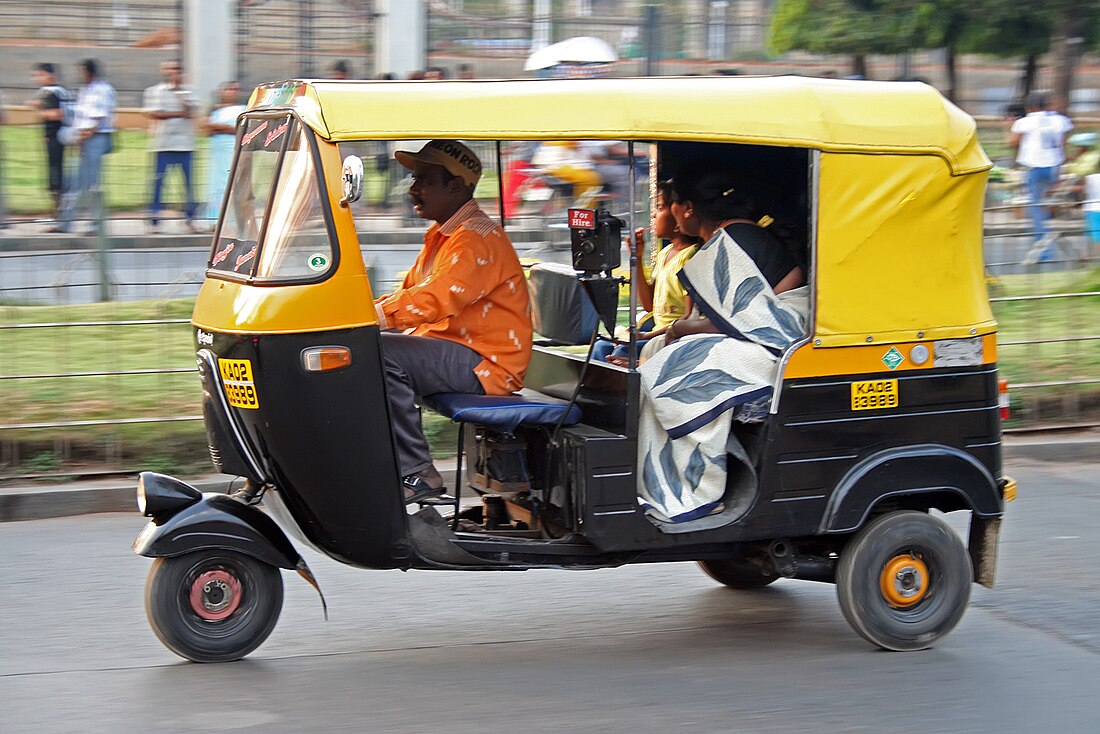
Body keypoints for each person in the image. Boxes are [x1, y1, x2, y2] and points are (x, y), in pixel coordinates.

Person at [376, 140, 532, 502]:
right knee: (364, 346)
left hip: (485, 364)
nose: (412, 189)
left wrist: (372, 318)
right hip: (454, 351)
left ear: (456, 187)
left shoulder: (474, 239)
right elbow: (407, 295)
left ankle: (417, 473)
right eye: (415, 179)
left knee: (380, 353)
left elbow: (436, 298)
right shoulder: (443, 236)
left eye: (424, 179)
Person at [657, 171, 804, 346]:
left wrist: (677, 328)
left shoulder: (732, 239)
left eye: (673, 202)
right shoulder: (733, 233)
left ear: (688, 208)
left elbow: (737, 321)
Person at [594, 179, 702, 363]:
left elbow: (688, 316)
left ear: (678, 214)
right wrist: (636, 256)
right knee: (600, 347)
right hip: (655, 334)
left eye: (660, 208)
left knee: (620, 353)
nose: (653, 216)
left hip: (672, 338)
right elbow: (648, 305)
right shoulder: (665, 254)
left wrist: (646, 337)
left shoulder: (691, 258)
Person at [53, 59, 116, 234]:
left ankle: (97, 226)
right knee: (74, 183)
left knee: (91, 184)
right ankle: (65, 223)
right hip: (84, 138)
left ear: (88, 72)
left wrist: (83, 138)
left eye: (81, 71)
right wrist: (78, 139)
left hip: (95, 139)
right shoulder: (86, 91)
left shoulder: (102, 90)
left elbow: (97, 120)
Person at [1010, 92, 1074, 251]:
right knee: (1047, 202)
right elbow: (1063, 143)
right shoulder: (1060, 120)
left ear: (1031, 106)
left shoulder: (1025, 122)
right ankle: (1047, 230)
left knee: (1035, 205)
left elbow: (1013, 142)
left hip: (1034, 166)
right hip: (1054, 166)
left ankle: (1042, 244)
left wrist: (1007, 127)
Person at [143, 59, 198, 232]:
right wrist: (180, 113)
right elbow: (155, 113)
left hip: (185, 145)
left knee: (188, 184)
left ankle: (190, 219)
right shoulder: (155, 91)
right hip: (162, 144)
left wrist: (180, 95)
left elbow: (192, 112)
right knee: (158, 183)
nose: (174, 73)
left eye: (177, 70)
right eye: (170, 70)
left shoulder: (190, 91)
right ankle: (154, 219)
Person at [29, 63, 70, 219]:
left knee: (55, 172)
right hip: (55, 137)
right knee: (56, 171)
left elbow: (57, 114)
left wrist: (40, 112)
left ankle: (59, 212)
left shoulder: (52, 93)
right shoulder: (58, 92)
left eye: (39, 75)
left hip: (56, 138)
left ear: (50, 75)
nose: (37, 79)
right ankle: (58, 210)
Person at [201, 81, 246, 223]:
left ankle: (234, 221)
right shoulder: (215, 111)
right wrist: (226, 127)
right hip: (218, 153)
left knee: (235, 185)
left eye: (236, 89)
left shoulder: (243, 109)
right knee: (218, 186)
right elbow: (206, 128)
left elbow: (241, 129)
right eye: (229, 89)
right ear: (222, 92)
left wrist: (221, 128)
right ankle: (215, 220)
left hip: (235, 152)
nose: (232, 92)